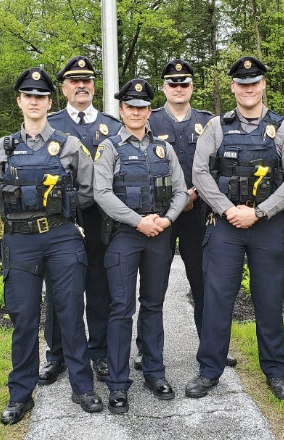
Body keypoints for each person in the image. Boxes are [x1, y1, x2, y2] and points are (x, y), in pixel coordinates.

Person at [189, 56, 284, 400]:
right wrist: (230, 210)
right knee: (217, 300)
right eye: (241, 83)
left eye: (254, 82)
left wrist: (258, 212)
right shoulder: (216, 127)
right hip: (225, 226)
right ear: (233, 87)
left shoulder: (283, 128)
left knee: (269, 301)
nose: (248, 88)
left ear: (263, 85)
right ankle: (209, 371)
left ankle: (276, 373)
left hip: (267, 226)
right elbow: (200, 173)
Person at [0, 67, 101, 423]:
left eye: (41, 96)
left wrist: (62, 211)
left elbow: (90, 190)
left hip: (62, 237)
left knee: (69, 315)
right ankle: (20, 395)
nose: (34, 101)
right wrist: (17, 209)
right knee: (24, 319)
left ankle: (83, 388)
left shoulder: (68, 145)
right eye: (28, 96)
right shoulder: (3, 149)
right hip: (20, 241)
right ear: (19, 102)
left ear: (50, 102)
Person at [92, 78, 187, 411]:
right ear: (121, 110)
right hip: (124, 236)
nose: (136, 111)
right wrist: (138, 221)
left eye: (142, 106)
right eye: (130, 106)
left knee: (153, 304)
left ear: (149, 110)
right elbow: (100, 193)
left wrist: (167, 219)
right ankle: (118, 384)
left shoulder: (163, 148)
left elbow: (180, 191)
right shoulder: (109, 148)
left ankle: (154, 371)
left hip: (159, 234)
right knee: (121, 309)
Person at [148, 59, 233, 368]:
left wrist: (193, 194)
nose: (179, 88)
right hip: (161, 216)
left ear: (192, 87)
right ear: (164, 87)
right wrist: (175, 198)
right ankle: (149, 351)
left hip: (199, 214)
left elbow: (217, 164)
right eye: (173, 83)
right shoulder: (150, 121)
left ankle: (212, 349)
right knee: (154, 287)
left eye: (184, 83)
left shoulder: (210, 122)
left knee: (204, 284)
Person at [40, 55, 119, 384]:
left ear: (94, 86)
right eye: (74, 81)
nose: (82, 85)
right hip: (61, 221)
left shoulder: (112, 126)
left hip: (101, 221)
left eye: (87, 80)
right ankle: (56, 354)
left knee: (100, 288)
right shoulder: (50, 124)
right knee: (59, 291)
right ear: (64, 88)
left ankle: (98, 352)